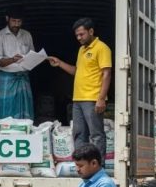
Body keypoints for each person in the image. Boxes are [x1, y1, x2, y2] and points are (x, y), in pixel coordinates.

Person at [48, 18, 112, 155]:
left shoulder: (102, 48)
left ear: (91, 31)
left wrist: (101, 99)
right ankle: (82, 166)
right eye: (77, 35)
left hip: (92, 99)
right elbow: (77, 71)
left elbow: (107, 74)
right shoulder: (82, 50)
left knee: (96, 135)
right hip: (78, 99)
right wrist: (59, 63)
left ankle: (98, 168)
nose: (78, 38)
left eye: (81, 34)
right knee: (78, 134)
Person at [0, 6, 35, 119]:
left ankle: (26, 132)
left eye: (19, 21)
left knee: (26, 111)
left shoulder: (27, 35)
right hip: (7, 79)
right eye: (14, 21)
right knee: (7, 110)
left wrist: (34, 59)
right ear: (7, 19)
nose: (16, 24)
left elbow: (33, 54)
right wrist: (12, 59)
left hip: (24, 77)